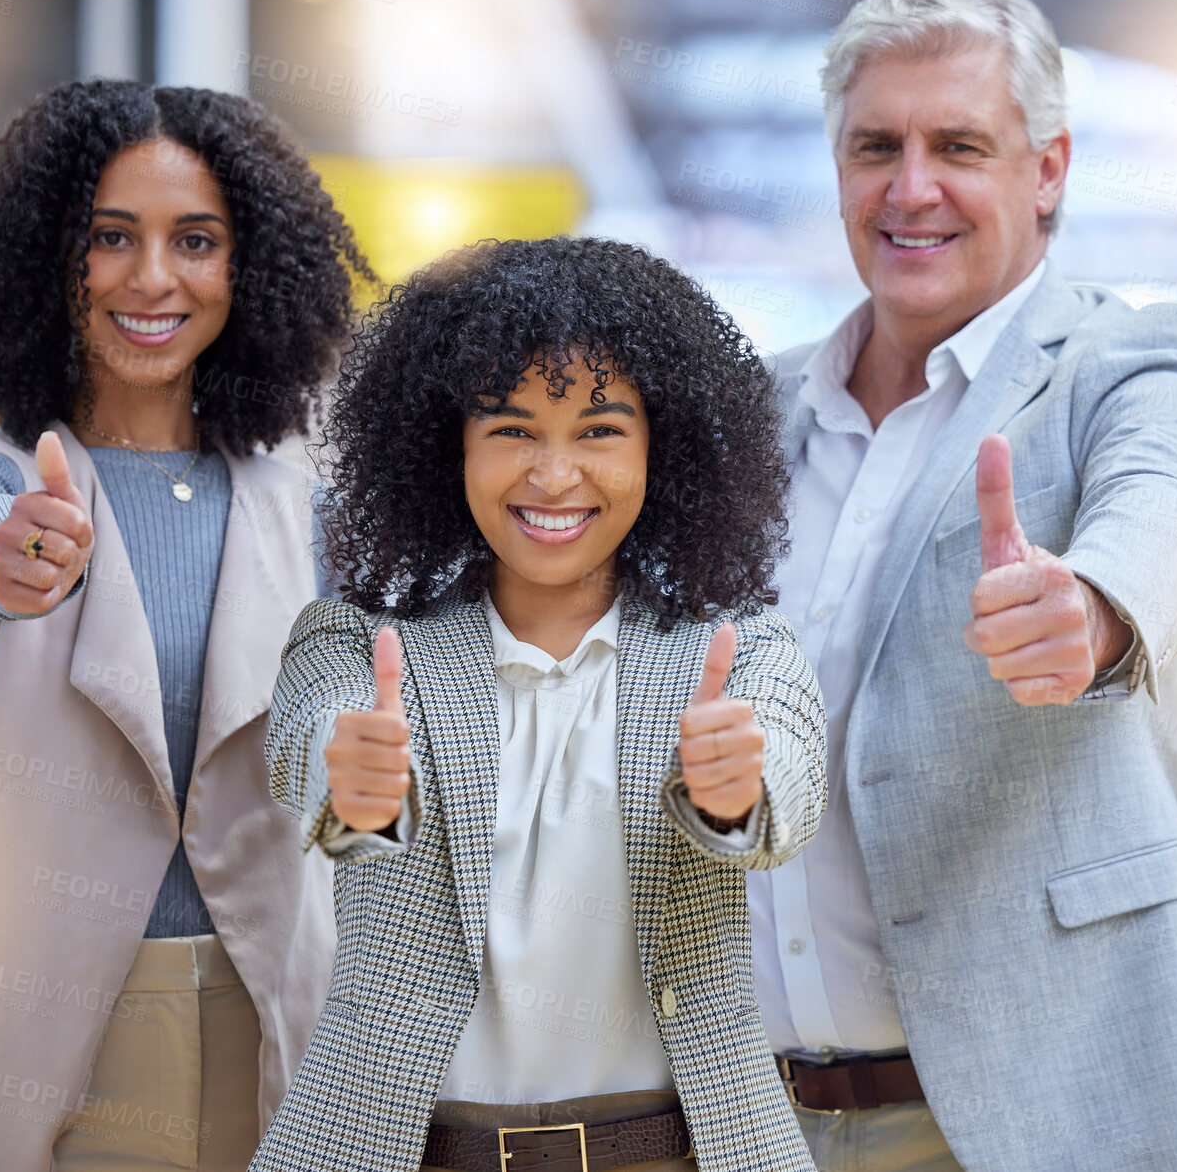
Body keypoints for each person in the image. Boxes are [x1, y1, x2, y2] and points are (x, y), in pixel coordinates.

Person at [757, 0, 1177, 1171]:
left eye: (957, 145)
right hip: (759, 1120)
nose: (910, 188)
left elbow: (1166, 504)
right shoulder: (753, 408)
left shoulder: (1134, 359)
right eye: (874, 147)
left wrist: (1093, 609)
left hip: (1045, 1119)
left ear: (1047, 168)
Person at [0, 79, 370, 1172]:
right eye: (109, 237)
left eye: (197, 240)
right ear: (44, 257)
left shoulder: (300, 513)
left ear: (250, 268)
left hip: (284, 1044)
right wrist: (14, 550)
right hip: (45, 1061)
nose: (153, 276)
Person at [253, 237, 829, 1172]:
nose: (554, 476)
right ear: (449, 448)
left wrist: (739, 787)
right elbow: (318, 751)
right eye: (513, 429)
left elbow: (787, 779)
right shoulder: (355, 642)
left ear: (664, 445)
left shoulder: (738, 652)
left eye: (600, 430)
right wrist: (357, 785)